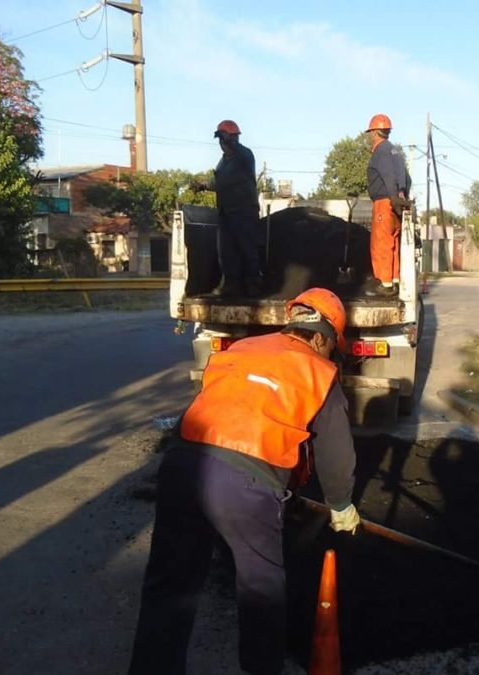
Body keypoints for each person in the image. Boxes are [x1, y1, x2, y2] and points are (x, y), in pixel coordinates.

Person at [128, 287, 360, 675]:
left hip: (183, 464)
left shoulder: (243, 348)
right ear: (321, 337)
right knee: (260, 589)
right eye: (331, 346)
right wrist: (341, 504)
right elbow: (337, 452)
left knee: (171, 584)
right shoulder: (320, 371)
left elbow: (215, 402)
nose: (329, 355)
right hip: (246, 486)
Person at [193, 119, 262, 297]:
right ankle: (232, 286)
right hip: (226, 212)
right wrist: (203, 186)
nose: (222, 144)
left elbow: (239, 152)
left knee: (247, 248)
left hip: (244, 211)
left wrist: (228, 138)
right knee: (227, 251)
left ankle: (252, 286)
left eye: (225, 139)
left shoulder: (245, 156)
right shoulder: (223, 162)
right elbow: (217, 182)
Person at [364, 114, 412, 297]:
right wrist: (401, 196)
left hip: (384, 202)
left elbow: (387, 175)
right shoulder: (394, 151)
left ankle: (383, 285)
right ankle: (394, 281)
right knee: (394, 242)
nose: (370, 136)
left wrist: (392, 197)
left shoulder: (381, 151)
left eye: (371, 133)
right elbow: (406, 178)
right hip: (395, 202)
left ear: (375, 132)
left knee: (381, 242)